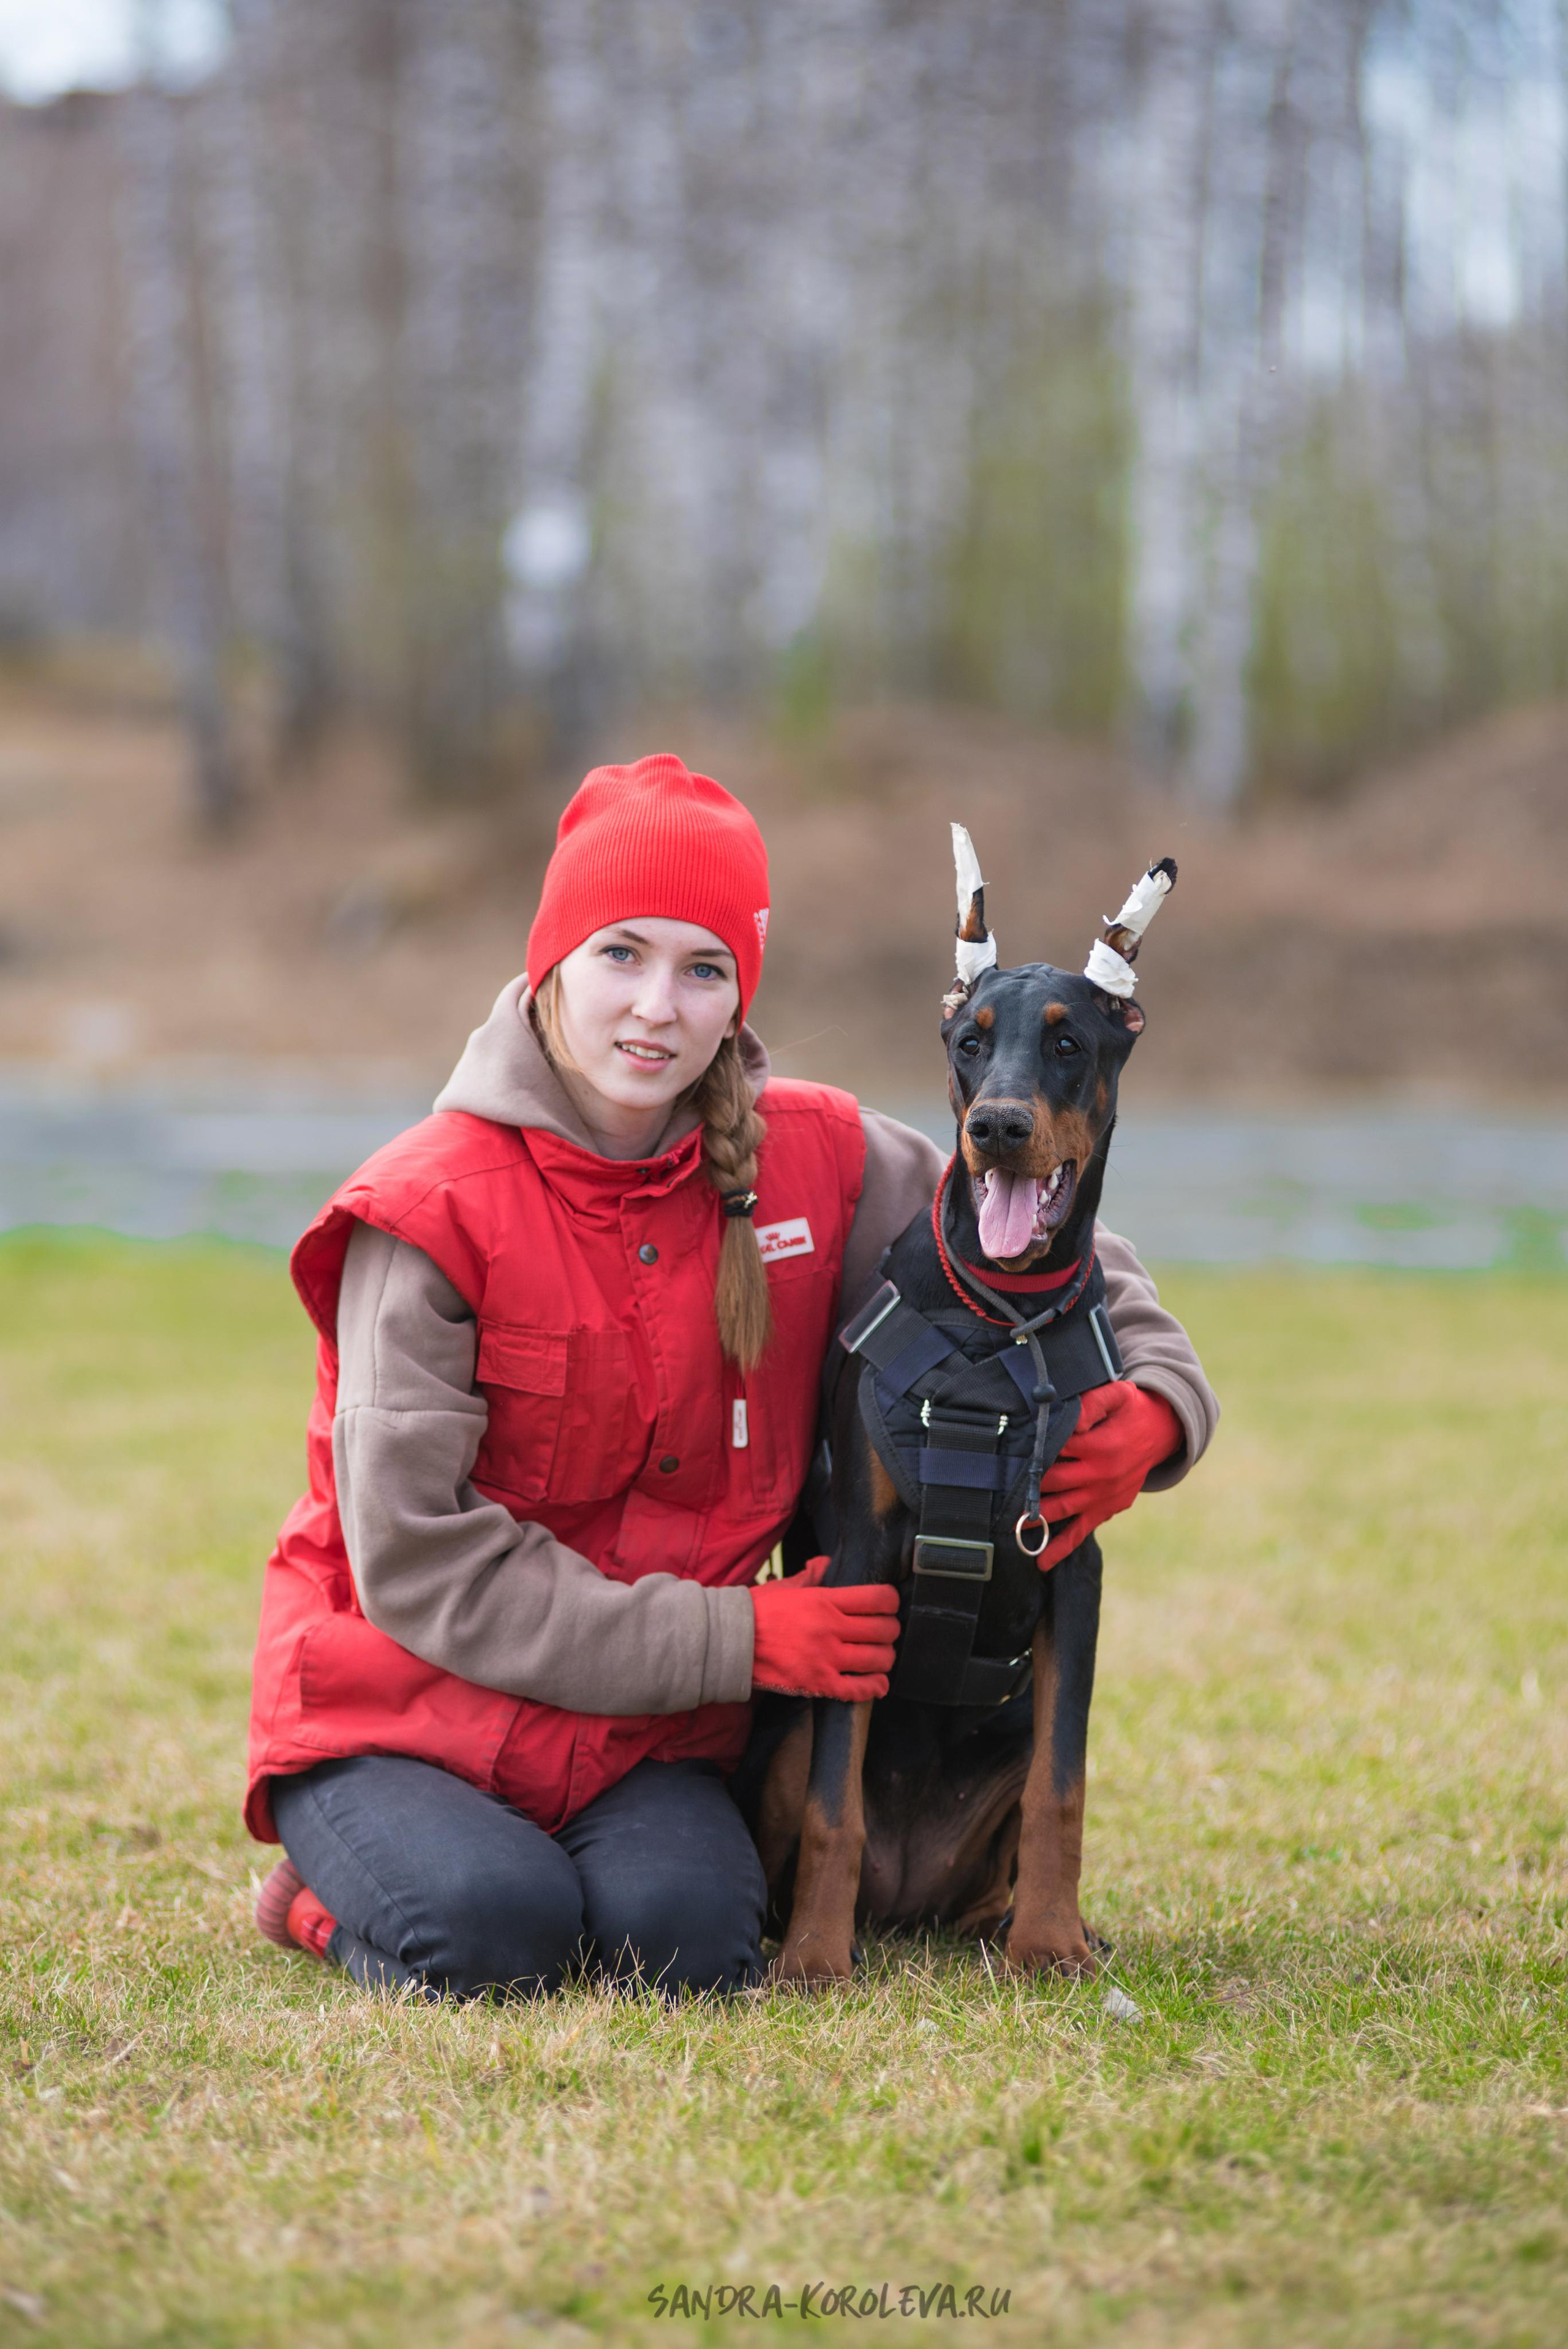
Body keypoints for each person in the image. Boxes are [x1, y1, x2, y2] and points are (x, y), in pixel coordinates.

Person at [246, 754, 1217, 2000]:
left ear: (738, 995)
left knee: (697, 1947)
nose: (656, 1006)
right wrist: (743, 1634)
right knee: (495, 1936)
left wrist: (1158, 1405)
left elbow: (1029, 1232)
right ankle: (323, 1892)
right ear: (548, 961)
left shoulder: (809, 1158)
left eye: (702, 969)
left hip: (637, 1739)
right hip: (403, 1713)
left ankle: (558, 1869)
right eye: (619, 955)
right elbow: (422, 1569)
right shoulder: (426, 1209)